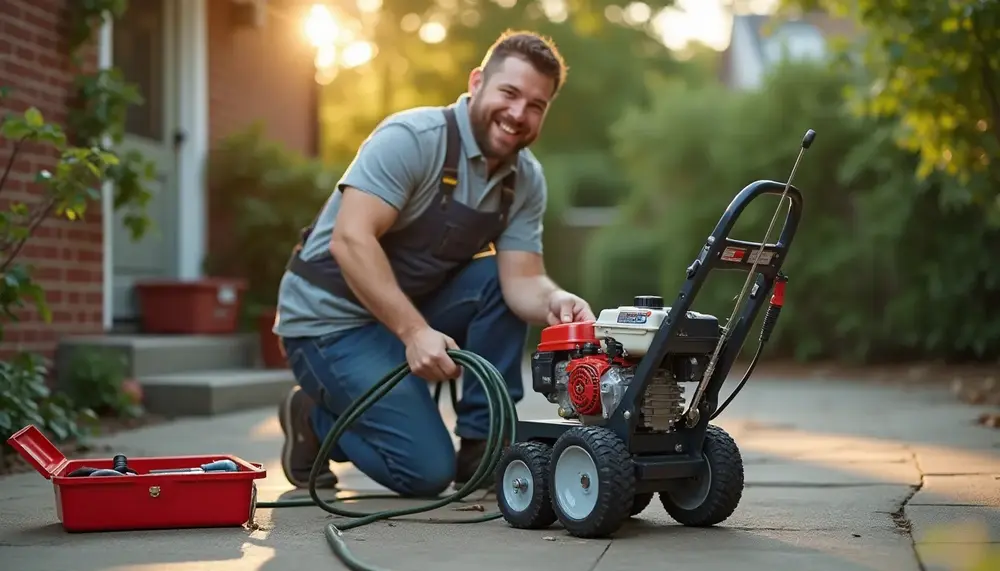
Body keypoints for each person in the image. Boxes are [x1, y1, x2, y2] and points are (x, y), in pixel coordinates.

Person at [273, 29, 595, 497]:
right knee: (424, 472)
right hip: (328, 324)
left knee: (494, 284)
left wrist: (556, 299)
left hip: (403, 314)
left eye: (536, 105)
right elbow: (351, 240)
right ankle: (314, 420)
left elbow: (520, 279)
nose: (518, 114)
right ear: (478, 81)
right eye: (509, 93)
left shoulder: (525, 180)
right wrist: (413, 332)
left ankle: (484, 445)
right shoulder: (412, 138)